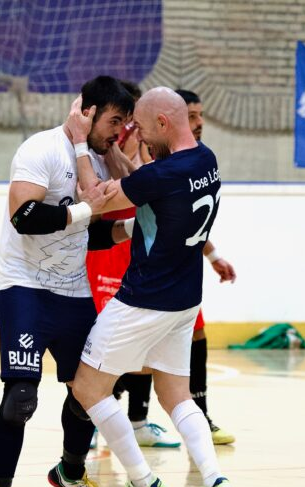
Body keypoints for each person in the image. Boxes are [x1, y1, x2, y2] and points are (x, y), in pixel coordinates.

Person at [70, 87, 236, 487]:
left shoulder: (160, 176)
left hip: (144, 298)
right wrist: (126, 161)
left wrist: (77, 142)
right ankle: (216, 482)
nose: (137, 138)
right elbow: (142, 184)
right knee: (176, 394)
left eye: (142, 130)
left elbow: (99, 198)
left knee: (87, 386)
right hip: (184, 301)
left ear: (163, 123)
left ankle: (143, 484)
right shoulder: (206, 160)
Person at [0, 76, 134, 487]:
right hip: (24, 286)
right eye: (114, 121)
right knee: (20, 399)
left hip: (72, 291)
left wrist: (128, 229)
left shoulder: (101, 161)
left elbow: (91, 234)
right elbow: (24, 215)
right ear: (87, 113)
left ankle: (70, 470)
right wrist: (89, 209)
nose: (119, 131)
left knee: (89, 392)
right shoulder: (42, 148)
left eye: (125, 123)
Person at [87, 80, 181, 450]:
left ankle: (138, 420)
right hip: (105, 242)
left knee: (144, 342)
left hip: (136, 243)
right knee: (102, 340)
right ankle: (96, 416)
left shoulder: (149, 147)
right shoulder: (110, 142)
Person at [175, 89, 237, 445]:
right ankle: (109, 415)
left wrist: (213, 256)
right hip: (134, 261)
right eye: (192, 116)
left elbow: (190, 221)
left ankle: (201, 416)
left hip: (181, 268)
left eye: (200, 115)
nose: (199, 124)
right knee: (130, 351)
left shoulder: (200, 158)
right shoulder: (156, 155)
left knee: (196, 334)